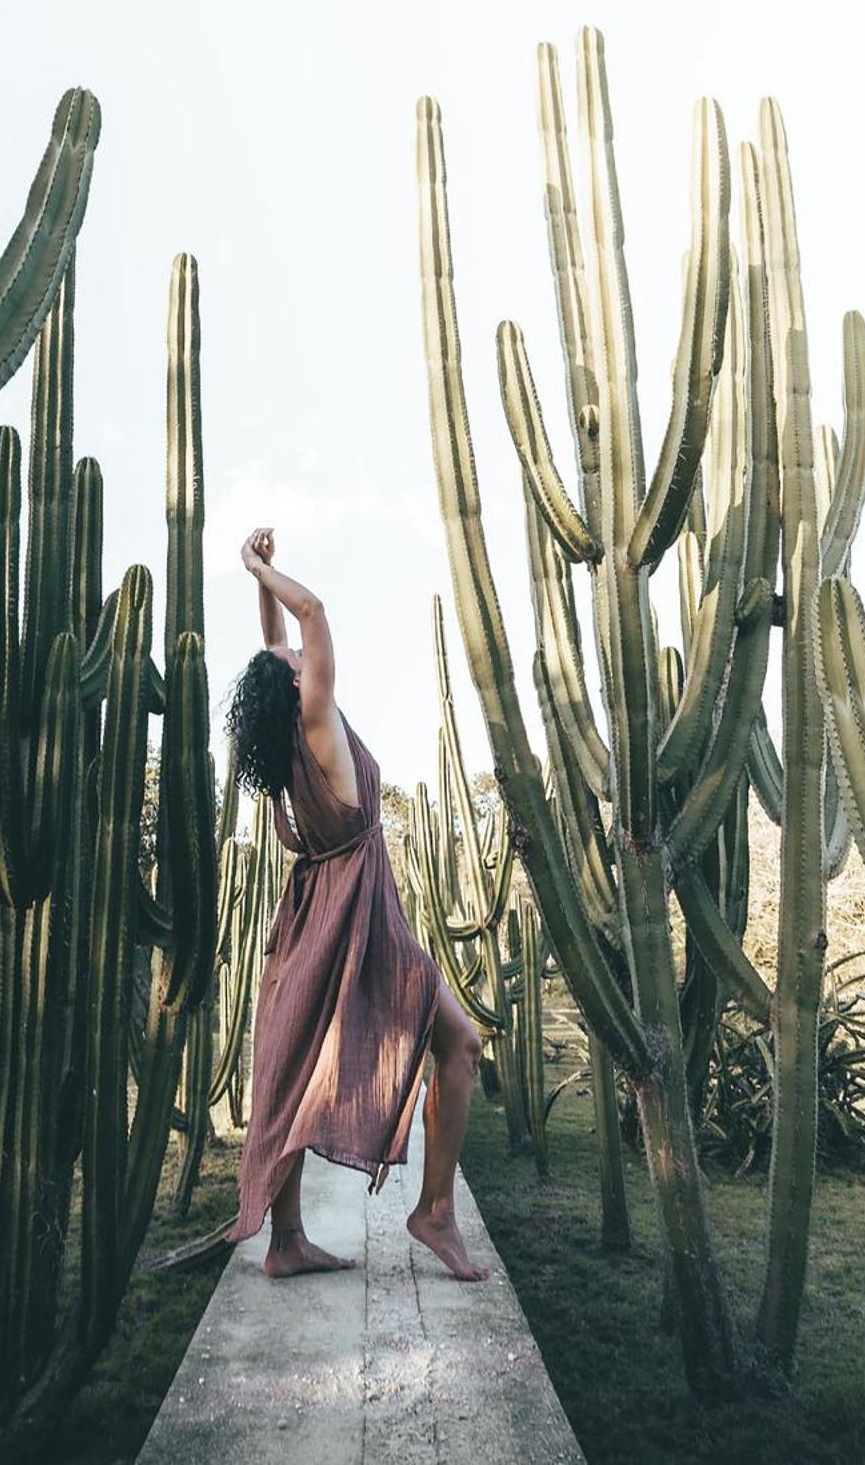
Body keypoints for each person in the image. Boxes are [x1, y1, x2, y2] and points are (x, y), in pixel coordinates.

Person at [222, 526, 490, 1282]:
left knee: (290, 1066)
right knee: (461, 1043)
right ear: (295, 689)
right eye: (295, 666)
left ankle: (286, 1241)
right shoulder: (318, 724)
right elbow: (310, 614)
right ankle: (434, 1209)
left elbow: (279, 637)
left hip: (316, 918)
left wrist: (257, 581)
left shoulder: (286, 755)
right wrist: (255, 565)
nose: (303, 658)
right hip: (365, 922)